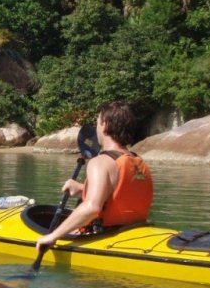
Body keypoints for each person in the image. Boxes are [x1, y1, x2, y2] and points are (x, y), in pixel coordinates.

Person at [36, 101, 153, 251]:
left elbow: (92, 208)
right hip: (134, 232)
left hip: (103, 235)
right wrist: (82, 188)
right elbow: (119, 192)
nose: (96, 127)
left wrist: (53, 236)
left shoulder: (100, 162)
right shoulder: (139, 162)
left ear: (104, 125)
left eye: (97, 122)